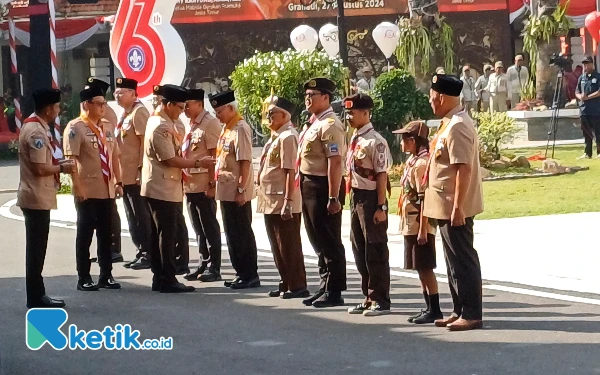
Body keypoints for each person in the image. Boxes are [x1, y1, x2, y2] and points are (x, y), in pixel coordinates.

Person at [424, 74, 484, 331]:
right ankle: (459, 308)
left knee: (462, 259)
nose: (430, 102)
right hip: (444, 204)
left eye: (432, 97)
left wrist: (458, 207)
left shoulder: (458, 124)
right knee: (452, 260)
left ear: (442, 97)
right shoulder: (448, 123)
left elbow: (462, 169)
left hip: (453, 205)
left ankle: (472, 313)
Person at [142, 84, 214, 293]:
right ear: (169, 105)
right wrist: (198, 163)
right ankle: (167, 277)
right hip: (161, 186)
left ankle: (161, 276)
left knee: (161, 233)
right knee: (166, 234)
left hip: (163, 185)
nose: (182, 111)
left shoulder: (165, 122)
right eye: (180, 107)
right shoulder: (160, 126)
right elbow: (170, 159)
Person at [18, 89, 76, 308]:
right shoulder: (36, 132)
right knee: (36, 249)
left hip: (37, 195)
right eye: (58, 107)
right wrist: (62, 168)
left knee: (37, 248)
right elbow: (40, 168)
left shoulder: (36, 126)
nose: (59, 110)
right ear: (49, 108)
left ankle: (37, 293)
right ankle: (36, 296)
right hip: (35, 196)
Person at [63, 85, 123, 291]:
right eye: (99, 104)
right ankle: (84, 276)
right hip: (87, 189)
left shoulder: (107, 127)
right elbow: (71, 161)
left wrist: (118, 181)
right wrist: (76, 187)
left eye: (104, 103)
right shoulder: (75, 127)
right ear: (87, 104)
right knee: (85, 233)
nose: (103, 107)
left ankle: (106, 274)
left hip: (106, 188)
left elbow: (114, 156)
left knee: (106, 234)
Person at [299, 77, 347, 308]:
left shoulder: (330, 124)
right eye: (307, 95)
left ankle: (334, 290)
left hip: (323, 186)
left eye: (313, 96)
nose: (307, 99)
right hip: (309, 184)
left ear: (326, 98)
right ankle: (324, 285)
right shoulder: (314, 122)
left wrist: (333, 196)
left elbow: (335, 162)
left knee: (329, 240)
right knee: (317, 239)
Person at [343, 93, 392, 317]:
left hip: (372, 198)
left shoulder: (375, 141)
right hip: (356, 196)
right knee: (359, 248)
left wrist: (381, 207)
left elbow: (381, 176)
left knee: (375, 248)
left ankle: (380, 298)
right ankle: (368, 296)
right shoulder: (354, 139)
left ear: (365, 113)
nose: (349, 117)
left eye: (352, 113)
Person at [257, 96, 308, 299]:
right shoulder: (276, 136)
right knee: (277, 244)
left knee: (289, 245)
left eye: (272, 113)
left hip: (283, 199)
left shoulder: (288, 136)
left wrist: (288, 200)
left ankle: (297, 285)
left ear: (285, 115)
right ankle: (285, 280)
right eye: (268, 113)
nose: (269, 116)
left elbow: (290, 171)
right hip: (270, 198)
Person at [210, 90, 260, 289]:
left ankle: (249, 274)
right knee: (231, 233)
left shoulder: (240, 128)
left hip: (236, 190)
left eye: (219, 111)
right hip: (225, 189)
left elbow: (245, 161)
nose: (217, 115)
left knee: (242, 233)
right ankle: (240, 272)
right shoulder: (227, 128)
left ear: (231, 108)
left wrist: (241, 189)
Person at [394, 121, 442, 324]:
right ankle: (428, 307)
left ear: (414, 140)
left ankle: (435, 308)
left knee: (425, 266)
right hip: (410, 222)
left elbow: (424, 198)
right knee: (418, 266)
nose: (402, 142)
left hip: (419, 223)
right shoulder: (413, 161)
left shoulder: (422, 164)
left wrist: (423, 228)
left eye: (405, 138)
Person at [182, 88, 223, 282]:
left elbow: (215, 156)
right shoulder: (191, 125)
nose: (185, 108)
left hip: (205, 185)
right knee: (198, 228)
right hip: (190, 185)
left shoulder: (210, 124)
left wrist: (213, 184)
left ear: (199, 103)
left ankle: (214, 265)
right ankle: (203, 262)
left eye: (188, 105)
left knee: (209, 227)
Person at [113, 77, 153, 270]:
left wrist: (140, 171)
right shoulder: (125, 114)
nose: (117, 95)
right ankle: (140, 250)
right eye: (116, 92)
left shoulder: (139, 112)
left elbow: (145, 145)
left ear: (132, 93)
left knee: (141, 215)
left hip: (136, 175)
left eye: (121, 92)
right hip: (125, 175)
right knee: (132, 216)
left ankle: (149, 252)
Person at [86, 77, 123, 263]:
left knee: (110, 213)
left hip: (106, 170)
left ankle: (113, 247)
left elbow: (110, 144)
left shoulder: (106, 113)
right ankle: (104, 249)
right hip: (94, 175)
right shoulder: (88, 111)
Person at [575, 56, 600, 159]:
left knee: (597, 131)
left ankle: (599, 152)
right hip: (584, 109)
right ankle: (587, 153)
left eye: (587, 63)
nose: (585, 66)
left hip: (595, 110)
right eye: (584, 64)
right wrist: (580, 96)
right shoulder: (582, 78)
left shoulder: (598, 76)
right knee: (586, 132)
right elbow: (576, 91)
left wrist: (588, 97)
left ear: (592, 64)